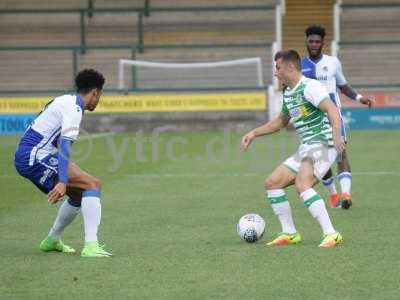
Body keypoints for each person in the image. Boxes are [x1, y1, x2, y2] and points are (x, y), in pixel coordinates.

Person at [241, 50, 344, 247]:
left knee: (302, 183)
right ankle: (289, 233)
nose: (275, 72)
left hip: (323, 144)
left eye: (278, 68)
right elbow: (280, 122)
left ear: (290, 67)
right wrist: (253, 133)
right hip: (307, 147)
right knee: (272, 183)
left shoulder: (310, 86)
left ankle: (332, 234)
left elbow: (332, 110)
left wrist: (337, 136)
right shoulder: (288, 92)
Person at [14, 69, 111, 258]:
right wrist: (62, 181)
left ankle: (52, 240)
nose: (99, 99)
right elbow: (65, 145)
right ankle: (91, 246)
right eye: (100, 95)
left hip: (32, 154)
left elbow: (55, 140)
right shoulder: (74, 108)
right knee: (92, 185)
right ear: (95, 93)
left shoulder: (66, 100)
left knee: (78, 195)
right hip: (34, 157)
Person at [302, 25, 374, 209]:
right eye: (311, 41)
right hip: (311, 119)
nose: (314, 44)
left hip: (333, 114)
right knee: (319, 158)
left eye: (317, 41)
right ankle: (333, 194)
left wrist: (359, 98)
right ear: (307, 42)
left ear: (323, 42)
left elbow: (343, 86)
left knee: (341, 153)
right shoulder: (300, 66)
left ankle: (346, 195)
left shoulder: (333, 62)